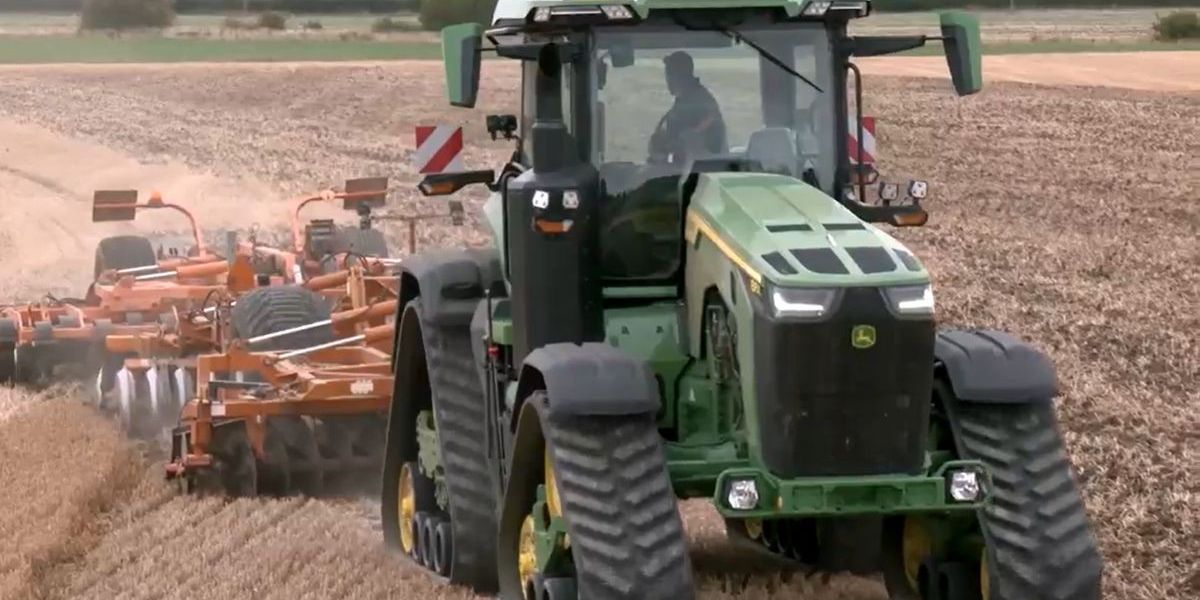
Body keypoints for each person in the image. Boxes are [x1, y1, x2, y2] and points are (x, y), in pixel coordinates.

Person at [648, 51, 727, 162]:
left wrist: (665, 144)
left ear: (680, 76)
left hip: (700, 171)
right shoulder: (686, 101)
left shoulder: (699, 103)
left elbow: (692, 139)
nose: (668, 79)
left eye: (670, 74)